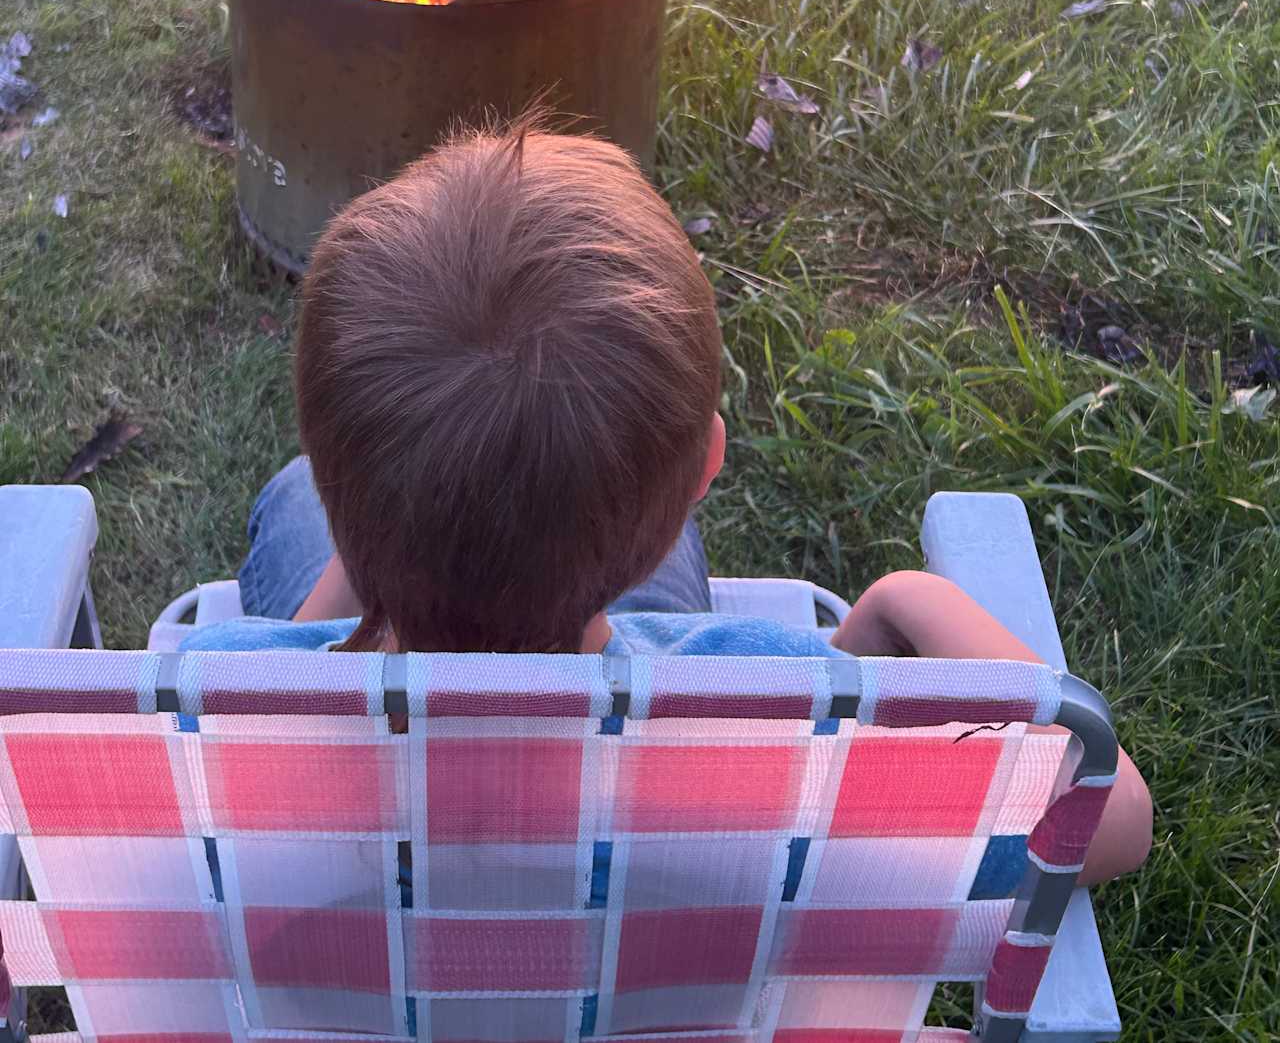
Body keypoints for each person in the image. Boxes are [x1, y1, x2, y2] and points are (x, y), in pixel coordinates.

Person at [188, 121, 1151, 885]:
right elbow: (1110, 821)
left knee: (290, 503)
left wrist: (375, 555)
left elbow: (304, 656)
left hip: (345, 934)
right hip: (660, 928)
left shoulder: (208, 715)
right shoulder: (774, 718)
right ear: (706, 466)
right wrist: (908, 596)